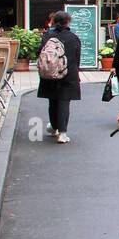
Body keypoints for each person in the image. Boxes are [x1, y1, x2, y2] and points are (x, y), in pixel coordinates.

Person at [37, 11, 82, 144]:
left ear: (53, 21)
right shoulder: (73, 37)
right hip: (67, 73)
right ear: (68, 22)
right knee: (64, 101)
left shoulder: (47, 36)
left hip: (49, 73)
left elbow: (39, 52)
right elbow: (76, 57)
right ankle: (62, 133)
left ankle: (54, 127)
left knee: (53, 101)